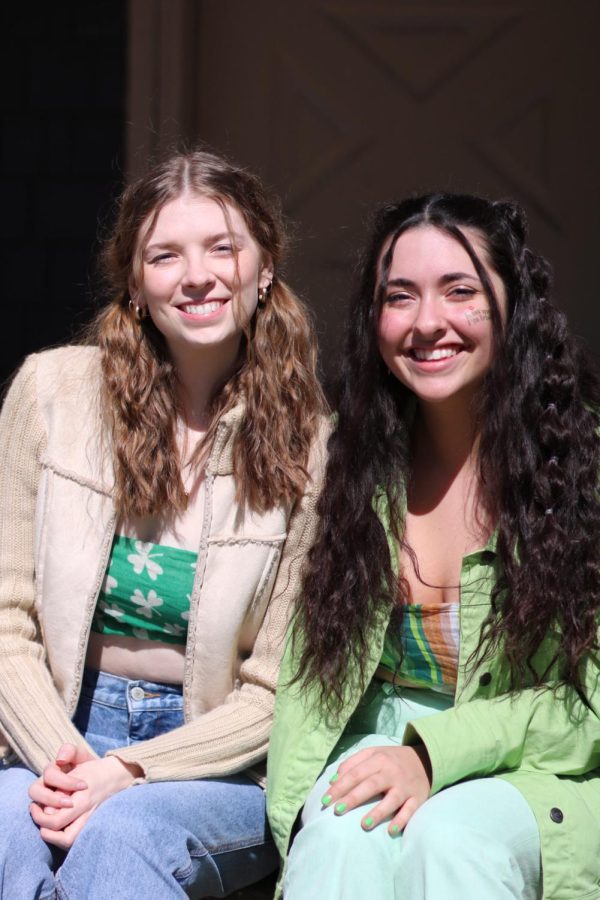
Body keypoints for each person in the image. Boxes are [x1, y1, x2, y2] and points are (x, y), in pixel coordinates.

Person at [0, 148, 328, 898]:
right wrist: (71, 762)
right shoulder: (49, 394)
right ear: (135, 284)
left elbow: (279, 688)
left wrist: (133, 772)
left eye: (222, 247)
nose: (198, 275)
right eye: (165, 255)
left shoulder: (316, 447)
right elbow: (4, 620)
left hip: (215, 763)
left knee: (122, 837)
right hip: (50, 731)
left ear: (264, 267)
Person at [266, 193, 600, 900]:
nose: (427, 323)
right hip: (380, 737)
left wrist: (434, 753)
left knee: (452, 842)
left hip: (540, 762)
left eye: (460, 291)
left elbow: (588, 706)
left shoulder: (582, 468)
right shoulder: (352, 461)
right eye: (400, 297)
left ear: (516, 305)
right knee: (338, 840)